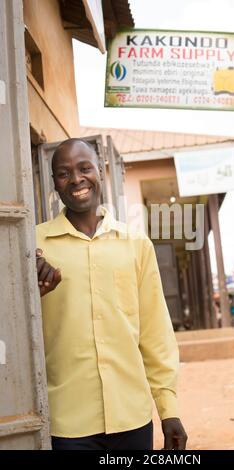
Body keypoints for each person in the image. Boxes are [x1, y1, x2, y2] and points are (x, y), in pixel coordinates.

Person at [35, 138, 187, 451]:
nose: (76, 179)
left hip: (132, 416)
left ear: (100, 172)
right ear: (54, 184)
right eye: (64, 173)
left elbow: (155, 331)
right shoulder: (34, 245)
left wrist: (168, 409)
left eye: (84, 168)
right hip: (68, 422)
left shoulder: (135, 244)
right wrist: (32, 289)